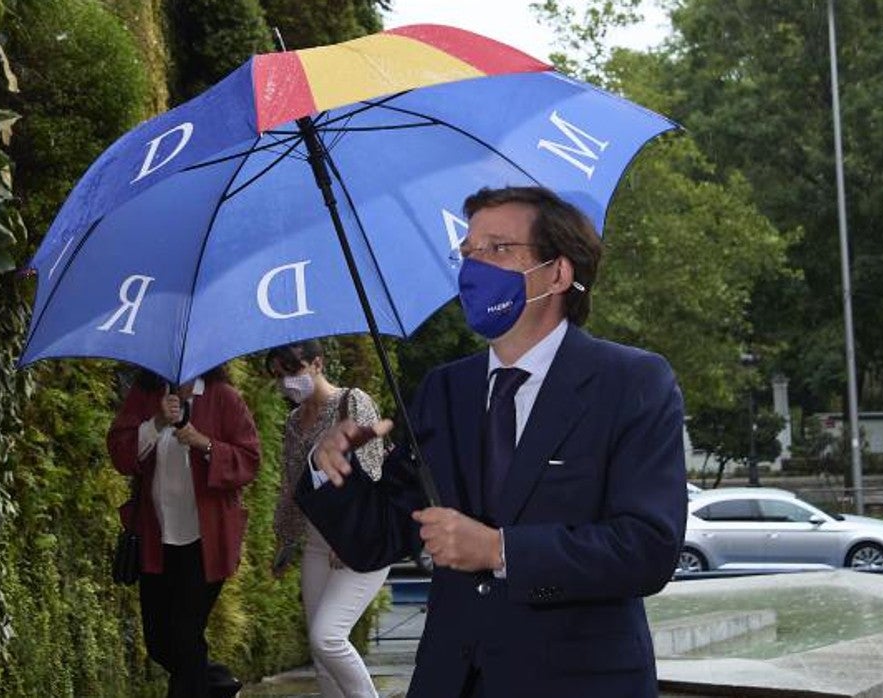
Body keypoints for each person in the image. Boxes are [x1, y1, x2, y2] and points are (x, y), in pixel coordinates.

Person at [296, 186, 687, 697]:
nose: (473, 267)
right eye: (468, 252)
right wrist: (331, 470)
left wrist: (500, 550)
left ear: (558, 273)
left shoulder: (632, 383)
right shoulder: (443, 389)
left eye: (498, 248)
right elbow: (383, 538)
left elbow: (647, 549)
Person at [108, 365, 260, 698]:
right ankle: (219, 684)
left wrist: (204, 443)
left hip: (207, 541)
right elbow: (120, 453)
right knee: (160, 642)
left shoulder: (224, 397)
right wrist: (156, 423)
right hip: (155, 539)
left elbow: (249, 459)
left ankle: (209, 687)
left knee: (185, 635)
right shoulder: (146, 396)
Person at [266, 340, 391, 698]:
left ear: (317, 363)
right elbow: (291, 487)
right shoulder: (293, 422)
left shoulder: (353, 402)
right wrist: (285, 541)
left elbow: (373, 473)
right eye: (278, 376)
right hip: (317, 545)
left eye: (292, 371)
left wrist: (347, 537)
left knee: (329, 637)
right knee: (320, 654)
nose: (286, 382)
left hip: (359, 541)